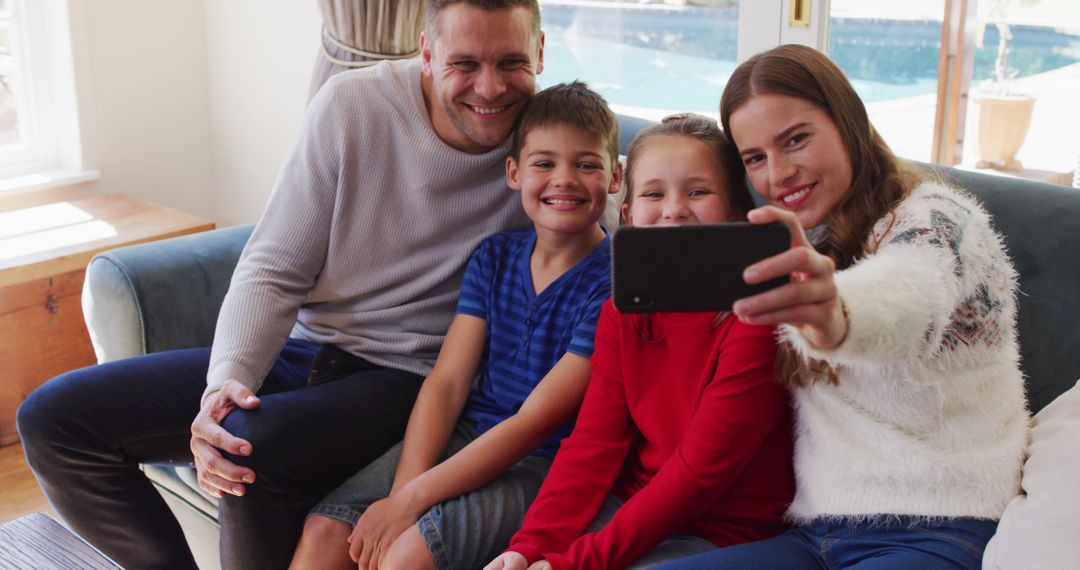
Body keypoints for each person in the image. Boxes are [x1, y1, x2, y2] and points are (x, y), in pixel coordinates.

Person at [15, 1, 544, 569]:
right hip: (308, 350)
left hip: (409, 379)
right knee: (54, 418)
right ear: (426, 53)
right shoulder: (354, 106)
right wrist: (226, 383)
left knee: (249, 447)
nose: (490, 88)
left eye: (511, 62)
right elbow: (274, 264)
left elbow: (614, 218)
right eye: (465, 63)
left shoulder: (550, 145)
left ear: (539, 54)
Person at [655, 44, 1028, 570]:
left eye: (796, 140)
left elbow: (907, 292)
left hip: (939, 528)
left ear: (848, 120)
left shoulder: (941, 219)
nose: (778, 174)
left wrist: (836, 314)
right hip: (814, 534)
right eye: (755, 158)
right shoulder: (797, 240)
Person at [290, 81, 621, 570]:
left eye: (586, 164)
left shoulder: (614, 279)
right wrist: (403, 493)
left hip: (543, 461)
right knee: (327, 531)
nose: (564, 179)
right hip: (468, 431)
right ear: (514, 172)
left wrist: (408, 505)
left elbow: (535, 422)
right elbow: (446, 385)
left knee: (404, 556)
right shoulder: (493, 258)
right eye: (544, 163)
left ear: (615, 178)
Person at [486, 113, 796, 570]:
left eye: (698, 192)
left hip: (722, 532)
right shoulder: (621, 312)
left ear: (735, 215)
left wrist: (572, 563)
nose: (673, 209)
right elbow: (593, 444)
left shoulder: (756, 317)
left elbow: (699, 475)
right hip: (634, 506)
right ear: (628, 215)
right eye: (654, 194)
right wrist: (529, 547)